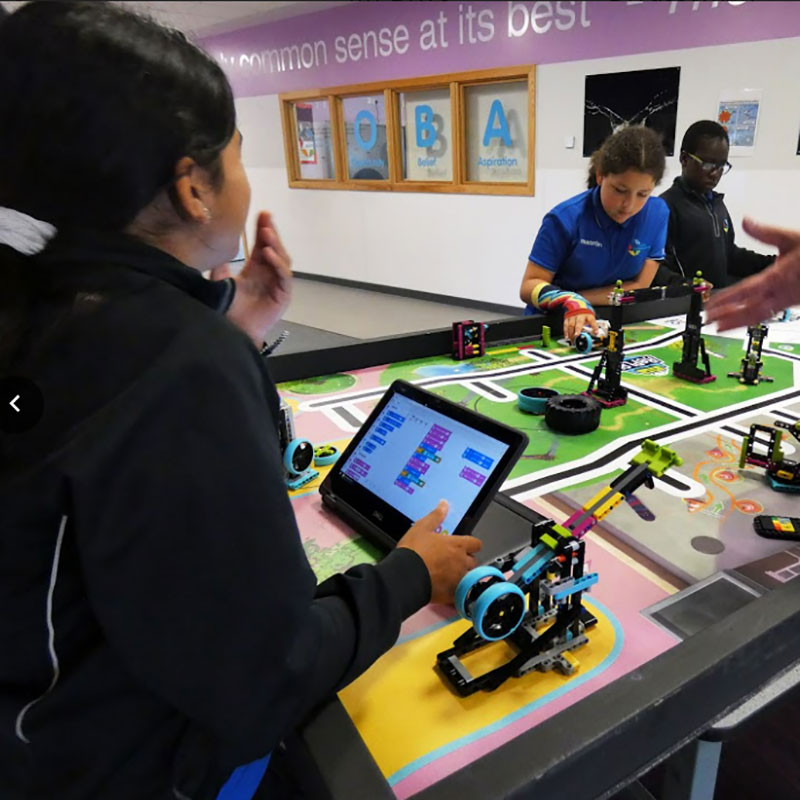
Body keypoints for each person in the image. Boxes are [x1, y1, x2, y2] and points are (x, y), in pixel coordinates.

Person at [0, 4, 480, 800]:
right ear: (194, 186)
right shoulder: (182, 364)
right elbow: (267, 675)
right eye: (241, 154)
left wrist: (235, 329)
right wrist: (407, 577)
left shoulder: (43, 307)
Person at [519, 125, 670, 342]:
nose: (629, 205)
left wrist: (580, 300)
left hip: (607, 321)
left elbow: (640, 285)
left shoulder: (657, 214)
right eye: (620, 190)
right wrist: (570, 302)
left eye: (643, 194)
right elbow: (528, 286)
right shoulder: (565, 218)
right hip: (553, 324)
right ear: (600, 176)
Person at [658, 120, 774, 288]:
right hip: (687, 302)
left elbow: (730, 255)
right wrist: (688, 286)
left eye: (721, 165)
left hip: (718, 299)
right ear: (684, 159)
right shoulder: (665, 207)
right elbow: (656, 268)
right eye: (708, 164)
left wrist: (774, 263)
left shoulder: (717, 206)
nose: (715, 173)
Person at [705, 218, 800, 331]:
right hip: (693, 303)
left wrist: (777, 264)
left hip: (715, 303)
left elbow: (729, 255)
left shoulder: (718, 208)